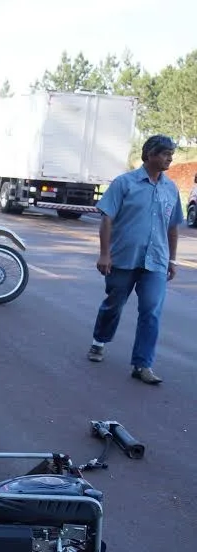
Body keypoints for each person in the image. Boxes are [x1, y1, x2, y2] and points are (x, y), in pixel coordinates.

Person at [87, 135, 183, 384]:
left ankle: (142, 365)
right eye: (165, 153)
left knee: (151, 311)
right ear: (150, 154)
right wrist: (105, 253)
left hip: (157, 261)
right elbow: (106, 218)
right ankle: (99, 341)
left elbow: (173, 227)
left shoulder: (171, 188)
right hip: (123, 258)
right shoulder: (124, 183)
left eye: (171, 153)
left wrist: (172, 260)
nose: (169, 158)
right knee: (114, 303)